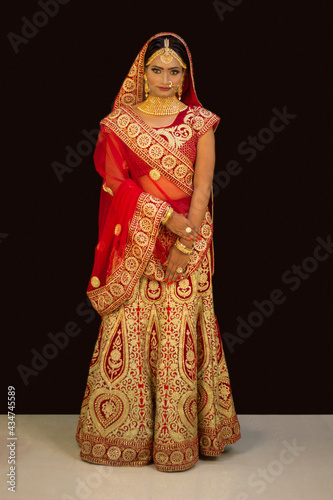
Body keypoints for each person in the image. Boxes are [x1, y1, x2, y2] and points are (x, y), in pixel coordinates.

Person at [76, 32, 241, 472]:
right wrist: (161, 218)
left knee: (180, 333)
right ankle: (122, 438)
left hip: (191, 242)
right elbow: (114, 183)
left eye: (174, 70)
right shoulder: (119, 123)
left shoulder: (200, 121)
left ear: (185, 76)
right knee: (127, 330)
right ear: (141, 72)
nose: (165, 78)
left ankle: (181, 439)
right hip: (136, 243)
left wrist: (187, 243)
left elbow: (204, 187)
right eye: (156, 69)